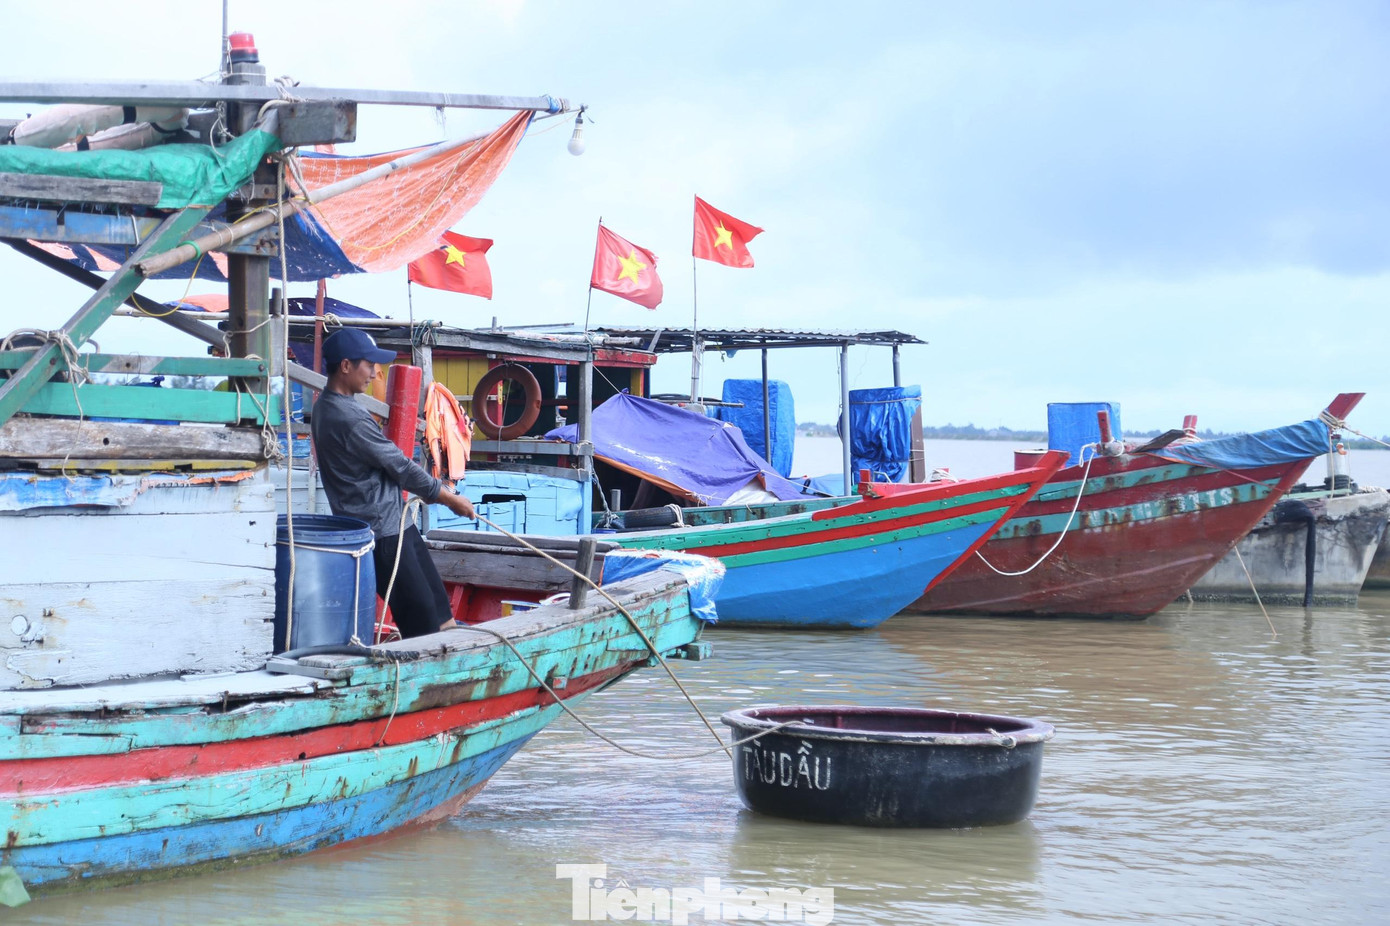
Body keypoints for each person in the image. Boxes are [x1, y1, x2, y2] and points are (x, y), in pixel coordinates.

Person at [310, 327, 476, 638]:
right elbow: (401, 467)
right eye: (369, 364)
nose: (374, 373)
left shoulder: (327, 407)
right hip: (383, 536)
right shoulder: (348, 417)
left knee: (442, 616)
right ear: (345, 366)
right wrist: (449, 498)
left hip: (398, 525)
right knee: (425, 630)